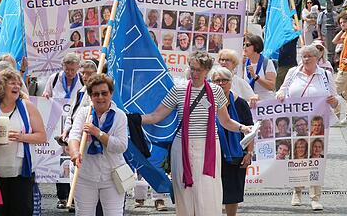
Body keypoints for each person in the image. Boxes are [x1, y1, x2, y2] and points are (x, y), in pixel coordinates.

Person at [142, 52, 252, 215]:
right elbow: (156, 116)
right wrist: (131, 118)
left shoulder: (216, 91)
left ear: (207, 70)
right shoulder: (178, 90)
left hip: (209, 147)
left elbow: (226, 121)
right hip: (182, 147)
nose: (194, 73)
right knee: (185, 191)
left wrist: (243, 128)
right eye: (192, 69)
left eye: (198, 70)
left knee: (208, 192)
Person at [0, 70, 47, 216]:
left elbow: (42, 136)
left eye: (19, 83)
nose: (17, 86)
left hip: (21, 174)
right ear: (1, 86)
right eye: (12, 83)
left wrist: (22, 137)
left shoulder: (27, 107)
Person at [276, 44, 338, 211]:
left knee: (316, 158)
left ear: (317, 58)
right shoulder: (293, 72)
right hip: (297, 123)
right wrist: (280, 95)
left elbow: (336, 98)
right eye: (303, 56)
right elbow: (281, 91)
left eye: (310, 56)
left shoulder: (325, 75)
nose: (306, 59)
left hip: (318, 124)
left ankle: (315, 197)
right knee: (298, 156)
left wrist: (334, 101)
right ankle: (297, 192)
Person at [68, 74, 128, 216]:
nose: (100, 97)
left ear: (111, 94)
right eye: (95, 94)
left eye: (104, 93)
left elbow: (121, 146)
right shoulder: (83, 114)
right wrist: (75, 152)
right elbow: (74, 136)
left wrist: (97, 133)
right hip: (84, 175)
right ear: (90, 96)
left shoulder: (120, 116)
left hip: (112, 176)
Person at [211, 67, 254, 216]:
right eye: (217, 80)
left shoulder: (240, 103)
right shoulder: (207, 102)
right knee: (212, 192)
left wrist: (249, 153)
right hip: (212, 153)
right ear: (211, 82)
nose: (221, 83)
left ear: (231, 82)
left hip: (236, 154)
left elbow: (250, 129)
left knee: (233, 191)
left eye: (225, 80)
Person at [43, 53, 83, 208]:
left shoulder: (82, 80)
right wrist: (46, 96)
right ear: (63, 67)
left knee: (74, 159)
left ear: (78, 68)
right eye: (67, 70)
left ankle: (73, 197)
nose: (70, 73)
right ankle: (62, 196)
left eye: (73, 70)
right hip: (57, 125)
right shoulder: (54, 79)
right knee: (59, 161)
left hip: (74, 125)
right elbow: (46, 95)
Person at [242, 35, 277, 101]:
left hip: (265, 103)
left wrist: (256, 77)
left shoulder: (267, 63)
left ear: (256, 46)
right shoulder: (245, 63)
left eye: (247, 45)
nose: (244, 47)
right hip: (250, 102)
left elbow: (271, 86)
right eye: (243, 45)